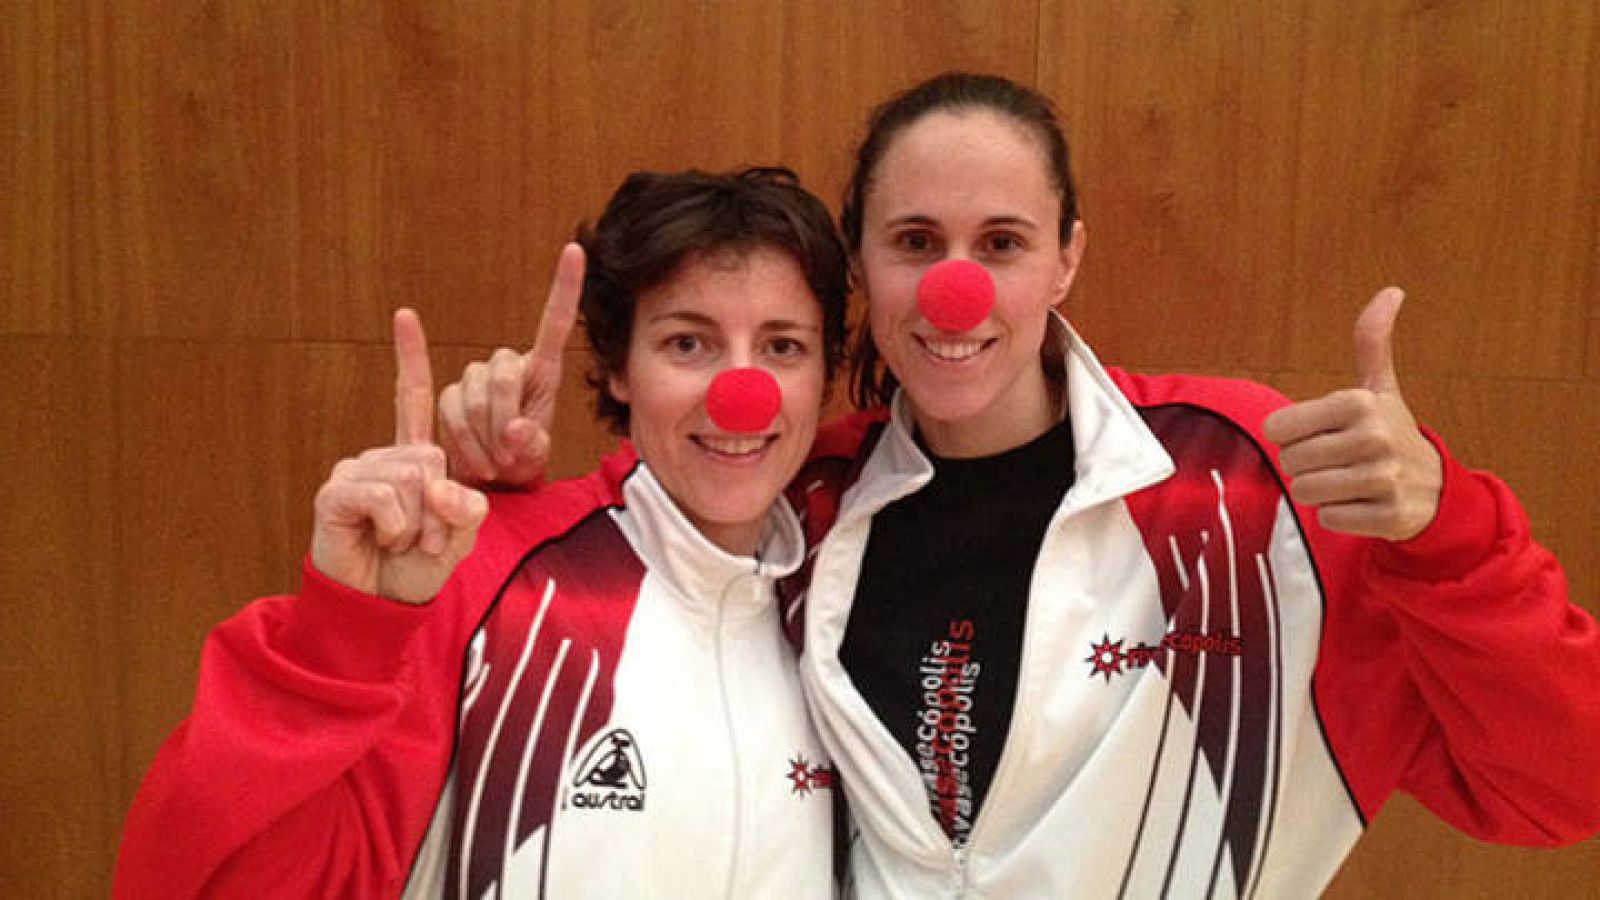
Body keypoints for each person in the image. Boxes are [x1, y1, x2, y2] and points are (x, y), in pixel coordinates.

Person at [437, 74, 1600, 897]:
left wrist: (1448, 535)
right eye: (913, 241)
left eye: (1000, 242)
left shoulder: (1249, 485)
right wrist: (504, 478)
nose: (956, 291)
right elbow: (646, 533)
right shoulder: (804, 500)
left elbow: (1559, 789)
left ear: (1067, 257)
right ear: (865, 269)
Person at [113, 166, 852, 899]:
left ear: (824, 376)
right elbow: (215, 879)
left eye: (783, 346)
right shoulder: (481, 571)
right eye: (688, 344)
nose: (741, 396)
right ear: (619, 369)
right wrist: (342, 626)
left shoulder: (843, 584)